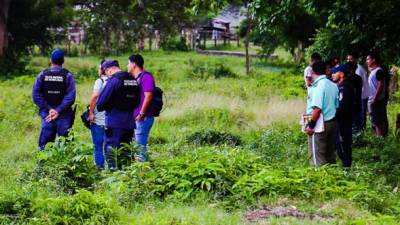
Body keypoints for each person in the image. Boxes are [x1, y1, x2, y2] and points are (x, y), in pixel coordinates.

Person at [96, 60, 140, 170]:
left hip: (114, 124)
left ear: (109, 70)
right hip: (130, 123)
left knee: (113, 155)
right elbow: (138, 101)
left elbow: (100, 104)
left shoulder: (114, 80)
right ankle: (127, 179)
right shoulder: (133, 79)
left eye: (106, 73)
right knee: (126, 154)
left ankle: (114, 178)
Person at [32, 48, 76, 150]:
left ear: (50, 60)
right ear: (63, 61)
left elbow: (36, 96)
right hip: (64, 116)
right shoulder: (67, 75)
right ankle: (67, 166)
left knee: (45, 146)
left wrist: (49, 109)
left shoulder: (42, 75)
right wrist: (58, 110)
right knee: (66, 146)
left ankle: (42, 166)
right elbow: (71, 97)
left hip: (47, 116)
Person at [305, 61, 339, 167]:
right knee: (330, 155)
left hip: (320, 124)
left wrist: (311, 126)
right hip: (332, 123)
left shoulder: (319, 86)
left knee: (317, 157)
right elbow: (336, 106)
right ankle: (333, 178)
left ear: (313, 71)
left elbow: (317, 109)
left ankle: (320, 180)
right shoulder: (333, 85)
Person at [128, 54, 156, 162]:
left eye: (128, 63)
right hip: (136, 117)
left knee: (140, 147)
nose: (127, 66)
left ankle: (144, 173)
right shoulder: (136, 78)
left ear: (134, 64)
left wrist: (141, 114)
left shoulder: (146, 77)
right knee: (137, 146)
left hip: (143, 118)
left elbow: (148, 96)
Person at [332, 64, 354, 167]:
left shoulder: (344, 88)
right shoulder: (341, 86)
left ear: (341, 74)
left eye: (335, 72)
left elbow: (342, 106)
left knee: (344, 146)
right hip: (343, 121)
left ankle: (347, 168)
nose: (332, 74)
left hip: (343, 122)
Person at [88, 60, 108, 170]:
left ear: (102, 69)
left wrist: (91, 112)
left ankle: (100, 170)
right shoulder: (115, 81)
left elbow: (95, 96)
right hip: (111, 121)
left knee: (98, 147)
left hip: (99, 120)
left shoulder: (99, 81)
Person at [366, 53, 389, 137]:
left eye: (368, 59)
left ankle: (381, 138)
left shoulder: (379, 71)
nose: (366, 61)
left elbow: (381, 85)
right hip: (373, 99)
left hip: (377, 100)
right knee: (374, 120)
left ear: (374, 60)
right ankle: (377, 138)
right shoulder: (373, 71)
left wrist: (375, 98)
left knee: (379, 120)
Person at [347, 53, 369, 131]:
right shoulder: (356, 68)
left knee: (361, 115)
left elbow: (358, 84)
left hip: (361, 96)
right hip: (361, 95)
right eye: (348, 59)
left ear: (355, 60)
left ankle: (361, 130)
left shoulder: (358, 69)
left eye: (351, 59)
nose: (349, 61)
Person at [346, 61, 363, 134]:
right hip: (357, 102)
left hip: (350, 104)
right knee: (356, 123)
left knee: (351, 123)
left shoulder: (348, 79)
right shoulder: (359, 78)